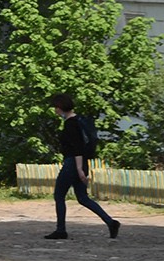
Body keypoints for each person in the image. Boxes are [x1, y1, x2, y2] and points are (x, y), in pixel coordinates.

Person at [44, 93, 120, 240]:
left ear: (60, 108)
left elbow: (76, 148)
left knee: (59, 195)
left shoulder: (70, 124)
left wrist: (79, 170)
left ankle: (61, 230)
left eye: (55, 107)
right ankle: (110, 222)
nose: (55, 110)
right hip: (81, 162)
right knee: (83, 198)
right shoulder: (80, 121)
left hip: (73, 163)